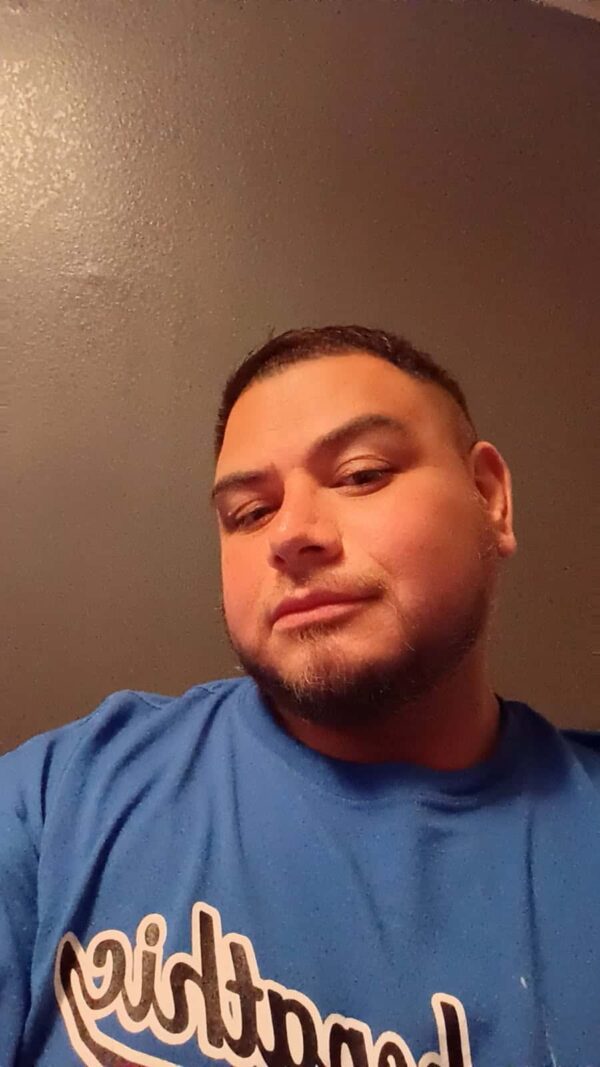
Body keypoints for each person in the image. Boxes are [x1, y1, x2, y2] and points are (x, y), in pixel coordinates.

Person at [1, 324, 598, 1067]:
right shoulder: (57, 800)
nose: (290, 534)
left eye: (361, 474)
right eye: (249, 513)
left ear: (490, 496)